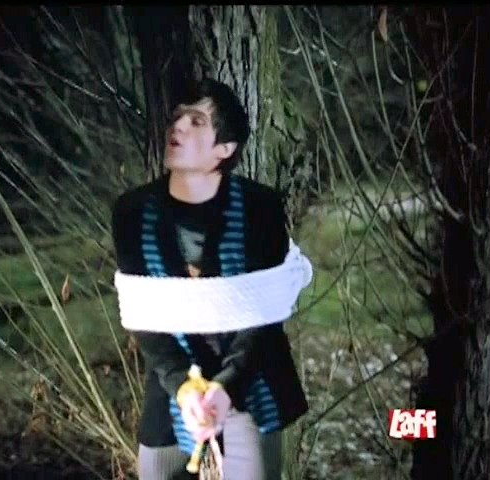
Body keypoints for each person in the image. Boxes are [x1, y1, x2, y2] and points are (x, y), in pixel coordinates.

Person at [111, 78, 310, 479]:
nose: (178, 126)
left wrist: (226, 386)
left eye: (196, 121)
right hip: (171, 390)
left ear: (225, 149)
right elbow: (142, 314)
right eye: (177, 117)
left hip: (251, 382)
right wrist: (184, 387)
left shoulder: (260, 208)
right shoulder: (132, 212)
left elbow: (264, 314)